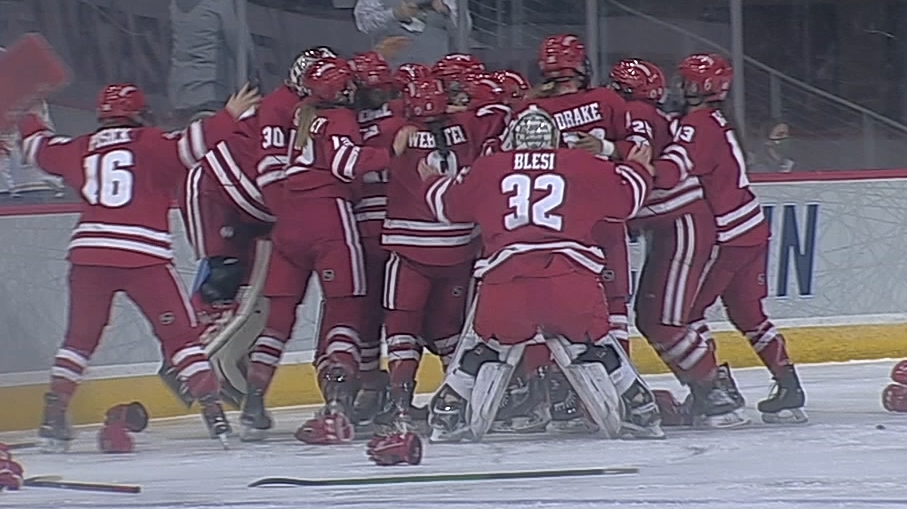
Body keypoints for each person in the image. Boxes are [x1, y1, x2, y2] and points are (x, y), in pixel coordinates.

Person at [18, 82, 260, 450]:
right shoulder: (150, 142)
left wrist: (27, 116)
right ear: (138, 113)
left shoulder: (81, 148)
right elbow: (193, 143)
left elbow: (38, 150)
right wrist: (229, 115)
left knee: (78, 340)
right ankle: (215, 415)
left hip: (89, 255)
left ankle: (54, 417)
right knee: (181, 338)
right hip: (142, 256)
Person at [417, 106, 662, 446]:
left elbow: (449, 208)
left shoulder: (490, 168)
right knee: (595, 342)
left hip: (507, 287)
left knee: (489, 345)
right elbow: (627, 201)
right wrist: (638, 167)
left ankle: (449, 407)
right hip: (571, 284)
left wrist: (431, 180)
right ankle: (639, 406)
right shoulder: (581, 163)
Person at [243, 57, 403, 445]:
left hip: (288, 222)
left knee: (279, 320)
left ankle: (253, 400)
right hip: (330, 216)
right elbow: (347, 163)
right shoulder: (343, 117)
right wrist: (393, 152)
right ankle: (339, 403)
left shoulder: (301, 115)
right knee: (347, 310)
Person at [654, 53, 807, 425]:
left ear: (702, 86)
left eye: (687, 81)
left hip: (726, 236)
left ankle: (715, 391)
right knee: (748, 314)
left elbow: (672, 172)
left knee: (685, 315)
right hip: (751, 227)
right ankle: (789, 386)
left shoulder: (697, 125)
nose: (680, 87)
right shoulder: (720, 120)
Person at [609, 58, 741, 427]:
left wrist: (605, 149)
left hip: (681, 222)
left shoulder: (636, 114)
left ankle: (715, 392)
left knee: (663, 321)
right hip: (675, 223)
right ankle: (710, 389)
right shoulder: (661, 117)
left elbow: (653, 164)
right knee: (655, 318)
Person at [374, 73, 507, 438]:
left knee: (402, 329)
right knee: (450, 332)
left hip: (410, 247)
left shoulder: (395, 128)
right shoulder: (466, 124)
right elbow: (496, 110)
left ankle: (401, 406)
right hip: (458, 246)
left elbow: (375, 125)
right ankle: (456, 403)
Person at [346, 51, 410, 428]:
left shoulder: (342, 122)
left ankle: (371, 386)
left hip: (360, 231)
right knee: (402, 317)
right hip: (400, 229)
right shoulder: (403, 118)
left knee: (367, 315)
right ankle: (397, 391)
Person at [168, 0, 258, 126]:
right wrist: (253, 79)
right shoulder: (218, 4)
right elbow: (240, 46)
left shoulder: (175, 5)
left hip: (179, 95)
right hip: (210, 94)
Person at [353, 0, 470, 68]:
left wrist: (446, 11)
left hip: (435, 70)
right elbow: (363, 23)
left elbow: (464, 29)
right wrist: (393, 14)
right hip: (390, 70)